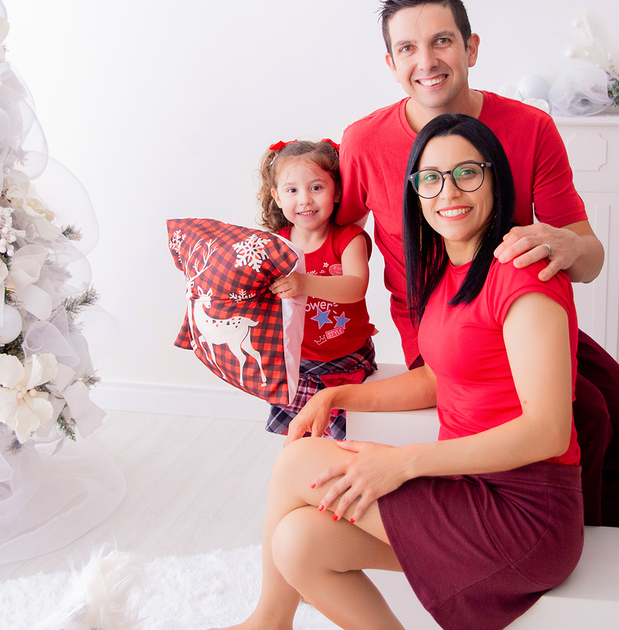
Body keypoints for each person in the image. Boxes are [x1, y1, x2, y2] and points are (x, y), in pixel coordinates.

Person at [334, 0, 619, 549]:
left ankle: (603, 575)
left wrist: (567, 245)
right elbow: (331, 231)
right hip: (439, 334)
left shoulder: (530, 128)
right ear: (390, 64)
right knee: (586, 416)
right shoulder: (363, 143)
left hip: (518, 320)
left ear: (472, 48)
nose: (428, 61)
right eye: (409, 49)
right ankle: (551, 560)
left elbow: (589, 259)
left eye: (442, 41)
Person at [216, 115, 583, 630]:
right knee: (299, 543)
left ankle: (268, 624)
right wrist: (337, 396)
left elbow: (548, 431)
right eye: (430, 178)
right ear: (414, 192)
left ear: (496, 179)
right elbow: (438, 379)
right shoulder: (447, 272)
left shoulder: (522, 276)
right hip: (467, 488)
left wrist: (404, 462)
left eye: (467, 173)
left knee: (299, 463)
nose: (447, 190)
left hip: (523, 514)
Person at [258, 139, 378, 439]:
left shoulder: (350, 239)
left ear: (336, 191)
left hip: (347, 360)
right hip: (297, 362)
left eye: (316, 187)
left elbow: (355, 287)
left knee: (344, 440)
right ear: (277, 196)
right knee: (300, 440)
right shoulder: (277, 244)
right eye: (292, 190)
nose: (305, 200)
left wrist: (304, 283)